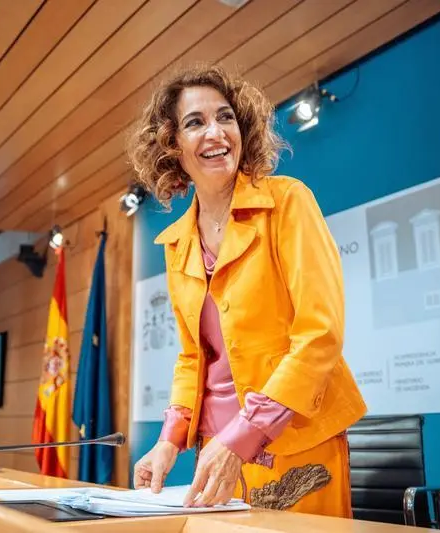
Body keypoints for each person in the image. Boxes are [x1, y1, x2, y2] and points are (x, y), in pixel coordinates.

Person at [126, 64, 367, 517]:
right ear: (172, 145)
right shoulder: (176, 243)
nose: (216, 132)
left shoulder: (288, 200)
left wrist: (242, 437)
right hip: (214, 452)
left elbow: (320, 335)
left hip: (296, 442)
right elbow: (192, 357)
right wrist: (169, 441)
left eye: (226, 117)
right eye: (195, 122)